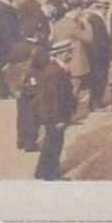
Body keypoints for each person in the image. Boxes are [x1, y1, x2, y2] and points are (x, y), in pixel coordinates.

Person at [33, 39, 77, 180]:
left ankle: (41, 171)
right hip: (55, 116)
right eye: (69, 51)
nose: (71, 54)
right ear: (61, 54)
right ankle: (52, 174)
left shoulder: (55, 68)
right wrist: (59, 119)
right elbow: (55, 98)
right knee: (55, 145)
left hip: (51, 115)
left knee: (49, 143)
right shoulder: (56, 72)